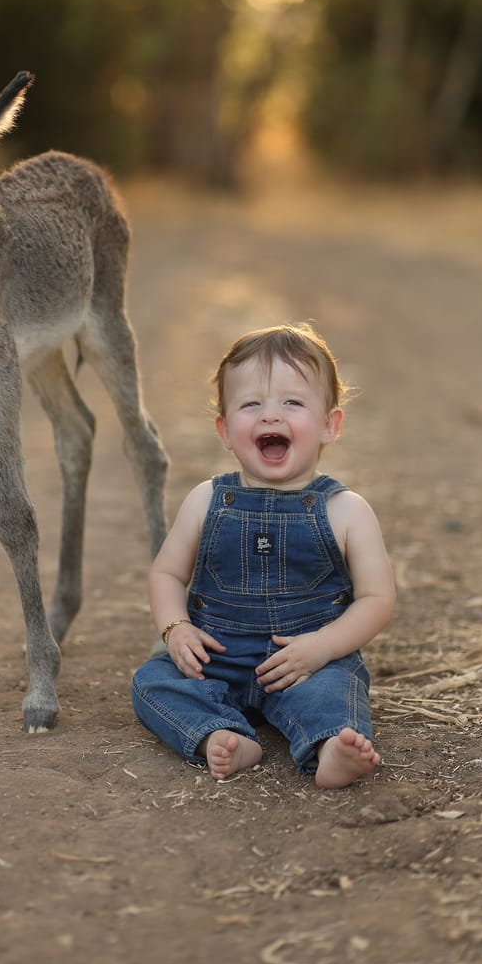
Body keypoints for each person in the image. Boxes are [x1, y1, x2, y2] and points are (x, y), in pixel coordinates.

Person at [131, 323, 395, 789]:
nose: (271, 416)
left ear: (330, 425)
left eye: (292, 403)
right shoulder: (205, 500)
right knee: (153, 682)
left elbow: (377, 599)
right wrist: (175, 629)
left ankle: (332, 747)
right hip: (217, 658)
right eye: (251, 404)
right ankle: (221, 734)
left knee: (336, 690)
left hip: (306, 660)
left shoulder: (347, 510)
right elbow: (167, 574)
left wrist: (324, 647)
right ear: (225, 430)